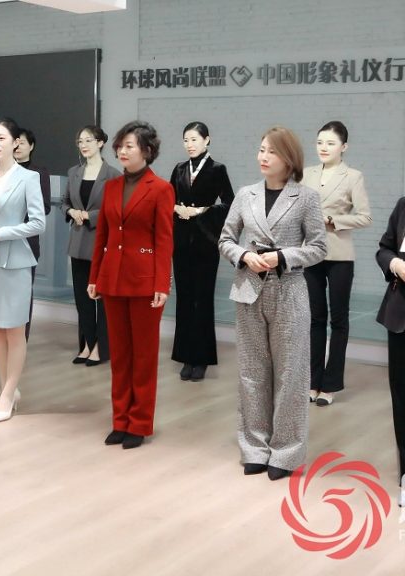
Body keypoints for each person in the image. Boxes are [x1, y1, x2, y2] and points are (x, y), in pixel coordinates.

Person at [219, 126, 326, 480]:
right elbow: (225, 239)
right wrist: (243, 256)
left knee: (291, 375)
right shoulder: (245, 194)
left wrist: (282, 256)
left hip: (289, 292)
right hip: (249, 290)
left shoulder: (306, 198)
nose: (264, 157)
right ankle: (254, 447)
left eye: (272, 152)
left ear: (289, 159)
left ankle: (286, 452)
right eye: (261, 149)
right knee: (251, 373)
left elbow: (318, 247)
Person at [87, 121, 174, 449]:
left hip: (145, 282)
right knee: (120, 355)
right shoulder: (111, 187)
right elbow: (103, 236)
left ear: (147, 151)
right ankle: (120, 419)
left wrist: (162, 283)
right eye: (120, 146)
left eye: (129, 146)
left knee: (144, 357)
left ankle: (139, 423)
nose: (122, 151)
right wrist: (95, 276)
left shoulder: (161, 189)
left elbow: (164, 240)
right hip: (112, 280)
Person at [0, 117, 45, 422]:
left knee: (14, 331)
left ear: (15, 143)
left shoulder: (28, 177)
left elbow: (38, 223)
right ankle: (6, 392)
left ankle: (8, 393)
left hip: (16, 261)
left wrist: (0, 233)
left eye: (1, 138)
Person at [303, 121, 372, 406]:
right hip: (310, 253)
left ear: (344, 147)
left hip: (340, 255)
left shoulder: (353, 176)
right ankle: (312, 381)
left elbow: (365, 216)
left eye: (330, 143)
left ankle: (330, 385)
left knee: (338, 320)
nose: (323, 147)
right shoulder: (306, 174)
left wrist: (332, 220)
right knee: (315, 319)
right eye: (320, 142)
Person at [169, 121, 234, 382]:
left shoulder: (217, 169)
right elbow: (167, 198)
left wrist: (201, 210)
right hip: (181, 241)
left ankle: (202, 358)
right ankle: (186, 356)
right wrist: (176, 208)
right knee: (184, 299)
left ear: (207, 140)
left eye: (194, 139)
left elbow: (229, 203)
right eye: (186, 140)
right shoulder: (179, 169)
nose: (189, 144)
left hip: (205, 241)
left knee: (202, 299)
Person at [61, 125, 120, 367]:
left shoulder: (113, 175)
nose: (83, 145)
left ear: (100, 142)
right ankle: (87, 344)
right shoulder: (74, 172)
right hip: (77, 243)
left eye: (88, 140)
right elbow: (64, 202)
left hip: (101, 243)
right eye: (80, 141)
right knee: (82, 298)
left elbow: (116, 210)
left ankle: (100, 348)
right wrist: (71, 211)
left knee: (102, 299)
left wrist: (89, 216)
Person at [375, 198, 405, 500]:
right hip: (400, 316)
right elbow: (384, 248)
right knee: (401, 397)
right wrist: (395, 264)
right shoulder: (403, 205)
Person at [13, 127, 51, 340]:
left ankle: (20, 336)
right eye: (15, 142)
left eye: (22, 143)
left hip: (27, 239)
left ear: (31, 146)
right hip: (3, 240)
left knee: (24, 289)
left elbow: (44, 207)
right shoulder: (4, 170)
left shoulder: (38, 173)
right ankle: (5, 333)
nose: (18, 146)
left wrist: (17, 217)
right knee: (6, 290)